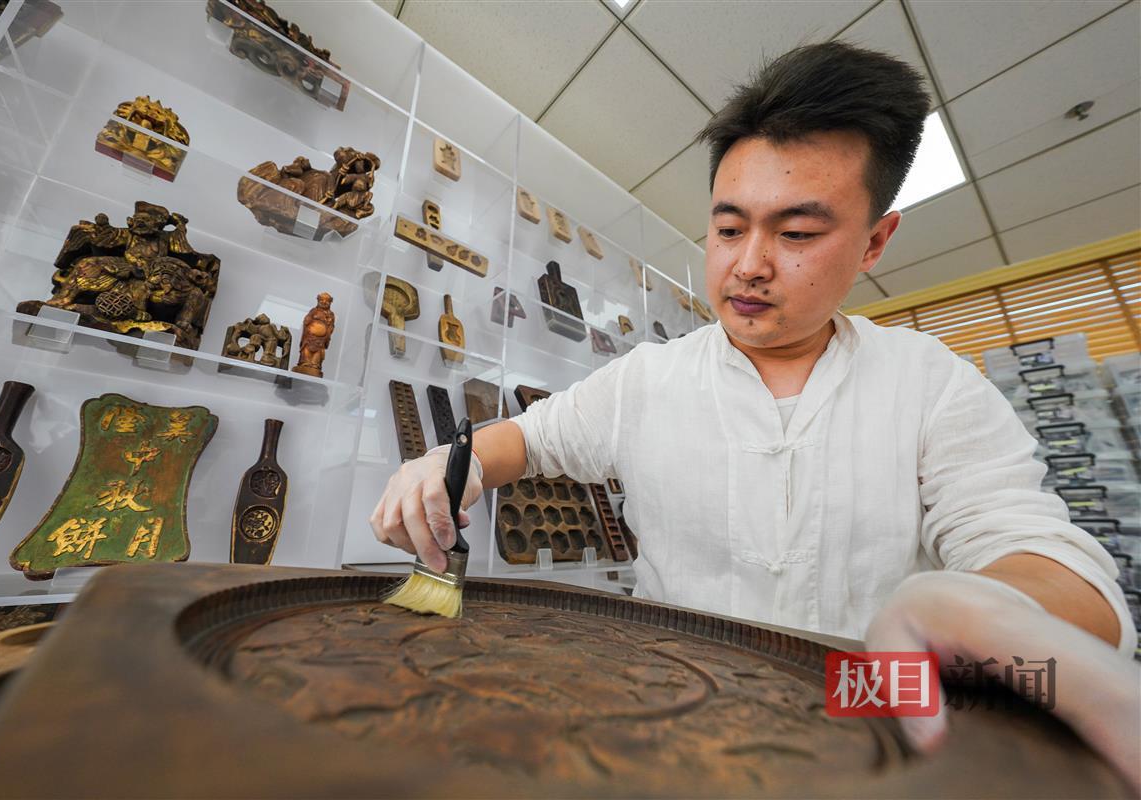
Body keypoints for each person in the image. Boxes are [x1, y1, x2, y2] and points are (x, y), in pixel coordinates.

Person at [371, 42, 1139, 787]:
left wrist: (986, 606)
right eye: (729, 228)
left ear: (875, 241)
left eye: (797, 233)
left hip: (868, 732)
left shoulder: (932, 384)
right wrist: (447, 465)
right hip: (666, 720)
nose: (748, 265)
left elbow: (1059, 571)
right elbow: (529, 439)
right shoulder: (647, 380)